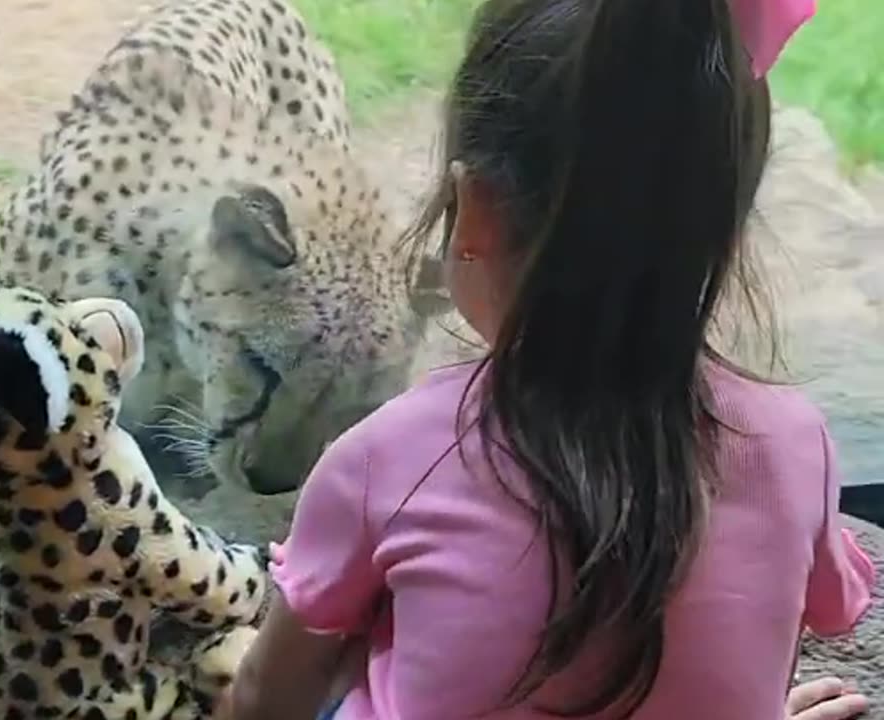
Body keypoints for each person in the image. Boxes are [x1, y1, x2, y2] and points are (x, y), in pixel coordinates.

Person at [225, 0, 877, 718]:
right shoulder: (795, 444)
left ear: (472, 211)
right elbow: (806, 616)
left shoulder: (384, 460)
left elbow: (263, 699)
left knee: (348, 646)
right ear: (727, 227)